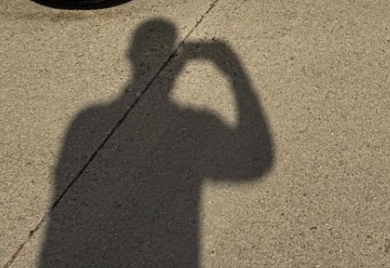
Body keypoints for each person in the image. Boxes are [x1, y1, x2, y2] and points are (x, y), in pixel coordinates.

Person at [38, 19, 273, 267]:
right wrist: (235, 73)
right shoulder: (196, 125)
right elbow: (255, 164)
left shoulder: (86, 121)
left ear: (130, 56)